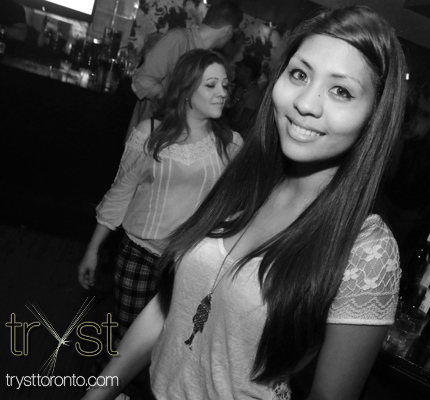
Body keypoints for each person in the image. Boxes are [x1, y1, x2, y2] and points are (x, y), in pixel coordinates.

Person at [83, 5, 407, 400]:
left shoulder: (368, 248)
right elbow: (171, 303)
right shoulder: (243, 177)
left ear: (374, 117)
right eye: (300, 74)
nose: (306, 103)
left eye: (341, 91)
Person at [77, 49, 243, 349]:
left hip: (189, 265)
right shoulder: (149, 133)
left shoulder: (230, 143)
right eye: (211, 85)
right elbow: (120, 193)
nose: (222, 92)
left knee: (167, 347)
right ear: (186, 90)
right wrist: (93, 249)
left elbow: (233, 207)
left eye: (224, 85)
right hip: (139, 255)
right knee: (127, 341)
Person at [127, 0, 243, 140]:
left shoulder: (209, 57)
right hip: (153, 134)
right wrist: (177, 102)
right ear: (228, 30)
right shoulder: (179, 39)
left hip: (181, 136)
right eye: (233, 33)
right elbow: (141, 80)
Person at [226, 54, 263, 135]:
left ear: (247, 71)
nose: (236, 70)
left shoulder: (253, 94)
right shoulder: (241, 89)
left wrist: (225, 131)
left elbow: (243, 124)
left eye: (240, 67)